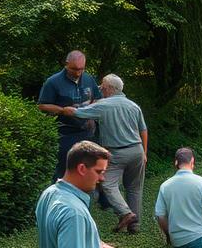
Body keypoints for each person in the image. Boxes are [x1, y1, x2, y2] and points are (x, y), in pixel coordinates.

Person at [63, 74, 148, 233]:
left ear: (109, 89)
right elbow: (143, 130)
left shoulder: (103, 105)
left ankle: (125, 213)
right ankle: (135, 227)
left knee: (107, 183)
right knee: (134, 188)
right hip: (137, 150)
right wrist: (144, 152)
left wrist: (64, 109)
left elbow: (79, 113)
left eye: (102, 86)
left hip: (116, 152)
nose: (100, 88)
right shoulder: (133, 106)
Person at [37, 50, 102, 181]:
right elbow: (42, 106)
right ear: (66, 64)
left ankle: (83, 199)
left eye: (81, 69)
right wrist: (62, 110)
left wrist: (93, 106)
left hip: (88, 133)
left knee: (87, 171)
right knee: (64, 171)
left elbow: (98, 98)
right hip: (65, 135)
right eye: (74, 69)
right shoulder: (53, 82)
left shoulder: (89, 79)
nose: (78, 72)